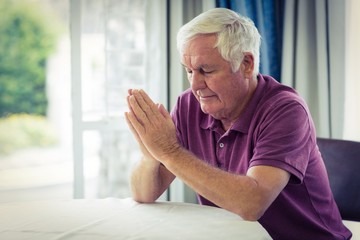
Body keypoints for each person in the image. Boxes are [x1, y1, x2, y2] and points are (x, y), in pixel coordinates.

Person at [125, 8, 352, 240]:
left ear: (246, 64)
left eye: (206, 70)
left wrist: (169, 151)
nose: (195, 85)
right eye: (189, 71)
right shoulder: (188, 105)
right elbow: (144, 193)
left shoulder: (286, 110)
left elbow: (251, 204)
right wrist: (151, 152)